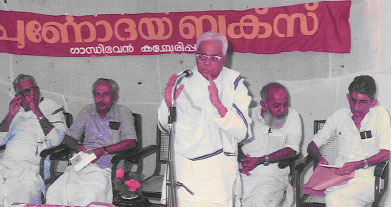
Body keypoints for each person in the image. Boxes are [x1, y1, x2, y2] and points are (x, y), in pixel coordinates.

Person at [157, 31, 252, 207]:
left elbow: (243, 133)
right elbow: (165, 126)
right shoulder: (181, 80)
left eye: (214, 58)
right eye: (202, 56)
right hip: (184, 169)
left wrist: (219, 106)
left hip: (216, 172)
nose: (206, 62)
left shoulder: (233, 83)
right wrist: (168, 103)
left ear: (224, 59)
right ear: (195, 55)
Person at [46, 78, 137, 206]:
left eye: (105, 94)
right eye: (97, 94)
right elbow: (68, 138)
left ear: (114, 96)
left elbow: (130, 142)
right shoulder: (87, 111)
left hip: (107, 167)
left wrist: (102, 150)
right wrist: (78, 148)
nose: (101, 99)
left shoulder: (122, 112)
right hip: (80, 163)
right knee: (54, 192)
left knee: (88, 195)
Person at [307, 75, 391, 206]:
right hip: (338, 179)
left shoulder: (380, 114)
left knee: (334, 200)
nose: (356, 107)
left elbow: (386, 153)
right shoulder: (340, 116)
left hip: (367, 179)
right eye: (353, 100)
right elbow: (312, 145)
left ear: (373, 103)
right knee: (338, 200)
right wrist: (319, 158)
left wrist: (359, 164)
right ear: (348, 97)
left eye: (362, 102)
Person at [0, 74, 66, 205]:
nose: (32, 93)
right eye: (26, 91)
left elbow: (57, 140)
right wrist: (10, 115)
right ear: (18, 95)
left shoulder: (51, 107)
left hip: (32, 168)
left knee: (19, 192)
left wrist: (37, 112)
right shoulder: (15, 109)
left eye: (34, 88)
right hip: (6, 165)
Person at [240, 83, 302, 207]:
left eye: (285, 104)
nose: (283, 110)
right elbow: (233, 142)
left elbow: (292, 149)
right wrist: (243, 160)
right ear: (263, 104)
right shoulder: (247, 115)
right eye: (276, 105)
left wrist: (260, 160)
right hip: (244, 174)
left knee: (260, 201)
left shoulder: (292, 116)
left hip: (272, 176)